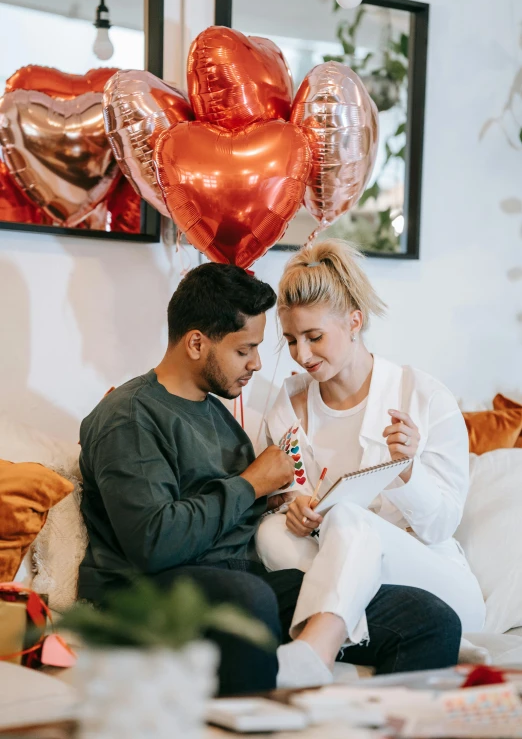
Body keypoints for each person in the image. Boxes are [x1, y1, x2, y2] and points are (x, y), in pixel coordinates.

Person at [78, 262, 462, 695]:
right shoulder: (130, 416)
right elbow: (154, 543)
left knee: (428, 617)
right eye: (245, 350)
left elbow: (256, 512)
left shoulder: (217, 416)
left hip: (238, 579)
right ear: (197, 343)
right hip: (146, 591)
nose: (259, 364)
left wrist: (286, 502)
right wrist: (251, 484)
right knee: (250, 599)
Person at [256, 239, 485, 686]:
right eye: (291, 340)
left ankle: (315, 650)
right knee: (271, 534)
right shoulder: (289, 404)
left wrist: (407, 469)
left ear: (355, 321)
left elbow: (439, 528)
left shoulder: (423, 397)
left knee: (347, 515)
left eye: (315, 337)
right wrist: (292, 507)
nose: (302, 355)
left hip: (432, 580)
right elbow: (283, 495)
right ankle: (342, 614)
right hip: (344, 570)